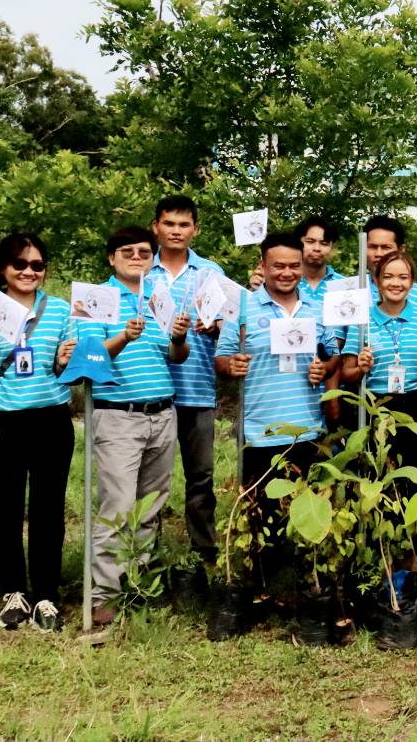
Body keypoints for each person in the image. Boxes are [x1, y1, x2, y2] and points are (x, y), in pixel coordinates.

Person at [76, 226, 192, 626]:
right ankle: (105, 597)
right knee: (118, 507)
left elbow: (176, 357)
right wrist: (124, 336)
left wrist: (179, 338)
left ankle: (137, 586)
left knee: (149, 507)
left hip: (162, 413)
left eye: (144, 251)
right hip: (118, 415)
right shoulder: (96, 299)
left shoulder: (158, 296)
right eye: (127, 251)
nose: (137, 257)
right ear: (112, 258)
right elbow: (88, 359)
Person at [0, 233, 75, 631]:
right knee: (5, 510)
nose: (28, 272)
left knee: (48, 511)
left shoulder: (60, 311)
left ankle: (45, 595)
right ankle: (13, 592)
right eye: (20, 265)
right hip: (1, 423)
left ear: (45, 270)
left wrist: (65, 360)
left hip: (51, 421)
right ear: (3, 268)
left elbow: (66, 372)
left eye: (37, 265)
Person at [213, 232, 333, 589]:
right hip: (260, 431)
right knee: (261, 518)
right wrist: (230, 366)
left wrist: (323, 369)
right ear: (262, 266)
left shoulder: (315, 309)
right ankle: (263, 586)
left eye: (293, 266)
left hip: (308, 428)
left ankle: (303, 587)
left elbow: (329, 355)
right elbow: (221, 359)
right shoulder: (245, 309)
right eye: (278, 265)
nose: (286, 272)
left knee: (306, 514)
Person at [148, 194, 226, 568]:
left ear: (195, 229)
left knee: (200, 478)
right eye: (169, 224)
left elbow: (229, 329)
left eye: (184, 225)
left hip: (197, 389)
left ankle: (205, 552)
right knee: (151, 481)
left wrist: (215, 327)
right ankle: (148, 553)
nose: (176, 231)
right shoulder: (141, 271)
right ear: (156, 227)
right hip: (150, 389)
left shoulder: (211, 273)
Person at [342, 250, 417, 472]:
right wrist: (360, 368)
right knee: (378, 476)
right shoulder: (362, 320)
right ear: (377, 282)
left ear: (411, 282)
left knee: (415, 474)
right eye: (388, 277)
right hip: (377, 406)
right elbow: (346, 373)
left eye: (403, 277)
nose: (395, 283)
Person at [293, 215, 344, 302]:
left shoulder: (344, 285)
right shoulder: (285, 281)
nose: (317, 248)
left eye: (324, 243)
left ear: (332, 248)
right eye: (310, 242)